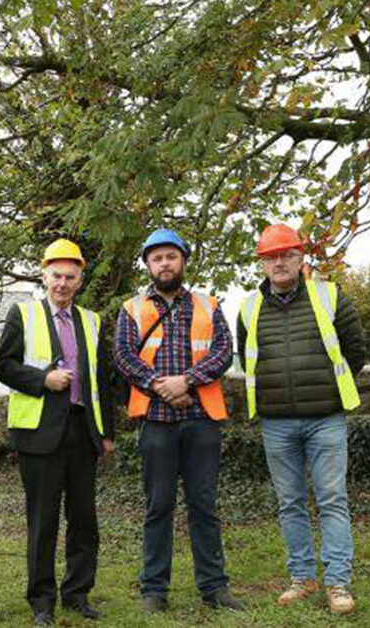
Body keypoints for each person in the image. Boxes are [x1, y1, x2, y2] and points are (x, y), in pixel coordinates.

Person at [113, 228, 244, 614]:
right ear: (149, 266)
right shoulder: (131, 308)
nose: (165, 263)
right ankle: (154, 590)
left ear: (183, 261)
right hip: (156, 421)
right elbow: (123, 356)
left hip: (202, 419)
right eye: (157, 258)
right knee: (158, 506)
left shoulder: (209, 304)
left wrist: (186, 381)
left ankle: (215, 588)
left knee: (204, 504)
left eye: (171, 256)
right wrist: (161, 386)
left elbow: (223, 351)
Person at [237, 224, 366, 614]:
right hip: (276, 423)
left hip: (325, 417)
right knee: (290, 502)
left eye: (287, 254)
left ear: (300, 258)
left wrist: (326, 387)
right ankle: (302, 578)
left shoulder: (330, 296)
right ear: (262, 262)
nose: (279, 262)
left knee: (332, 499)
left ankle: (338, 583)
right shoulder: (247, 308)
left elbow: (355, 349)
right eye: (271, 256)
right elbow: (247, 361)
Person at [0, 239, 116, 625]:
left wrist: (107, 432)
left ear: (79, 280)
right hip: (40, 434)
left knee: (84, 521)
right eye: (56, 276)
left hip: (83, 432)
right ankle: (41, 601)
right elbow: (4, 366)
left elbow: (103, 381)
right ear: (44, 275)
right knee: (43, 521)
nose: (62, 283)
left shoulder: (92, 321)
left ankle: (77, 594)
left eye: (70, 277)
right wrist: (43, 379)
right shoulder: (23, 315)